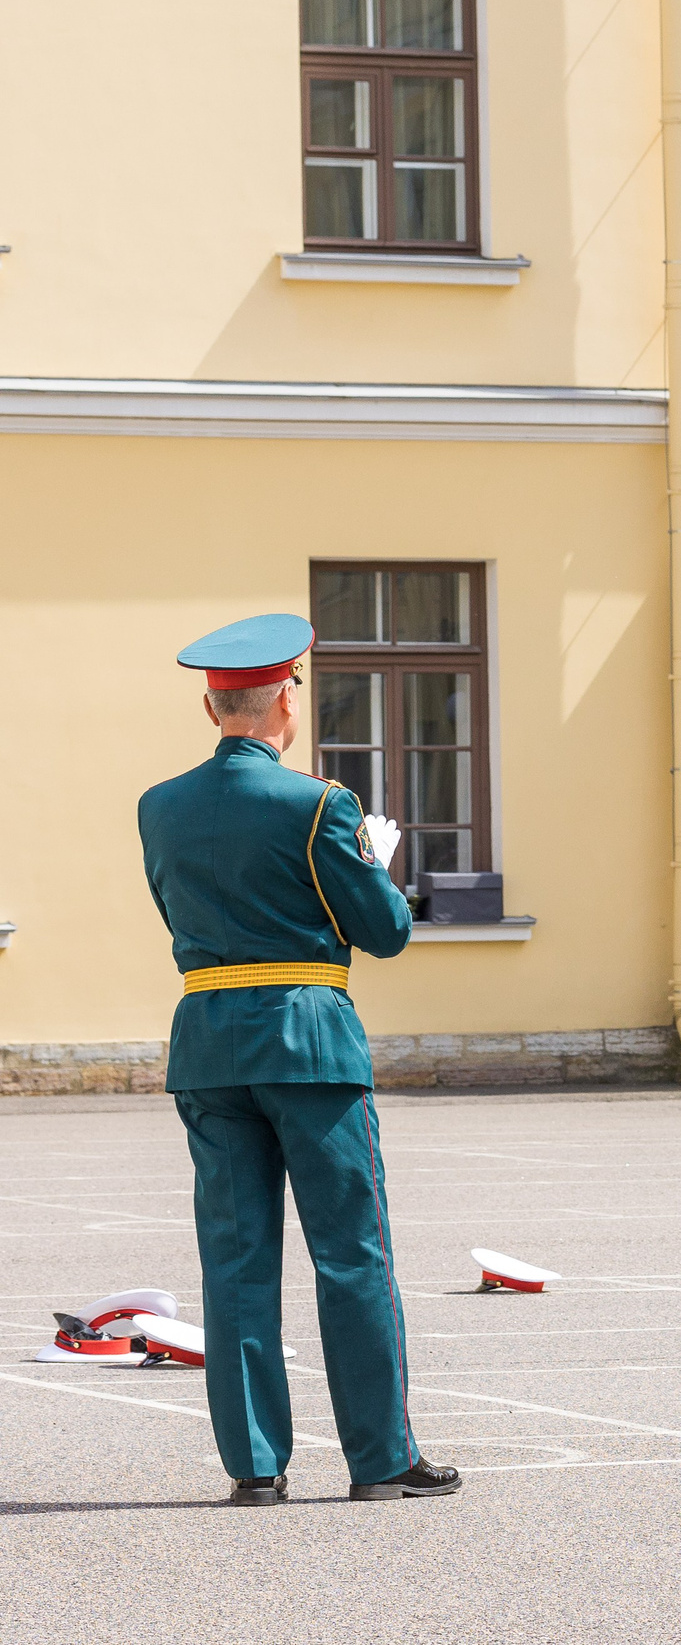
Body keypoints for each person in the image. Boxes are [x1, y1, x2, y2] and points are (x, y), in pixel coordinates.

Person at [137, 613, 457, 1506]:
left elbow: (183, 913)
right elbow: (385, 933)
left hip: (206, 1042)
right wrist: (376, 864)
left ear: (212, 706)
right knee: (350, 1253)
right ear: (285, 699)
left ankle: (256, 1466)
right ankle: (381, 1459)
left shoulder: (157, 805)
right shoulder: (320, 803)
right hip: (307, 1040)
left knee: (236, 1262)